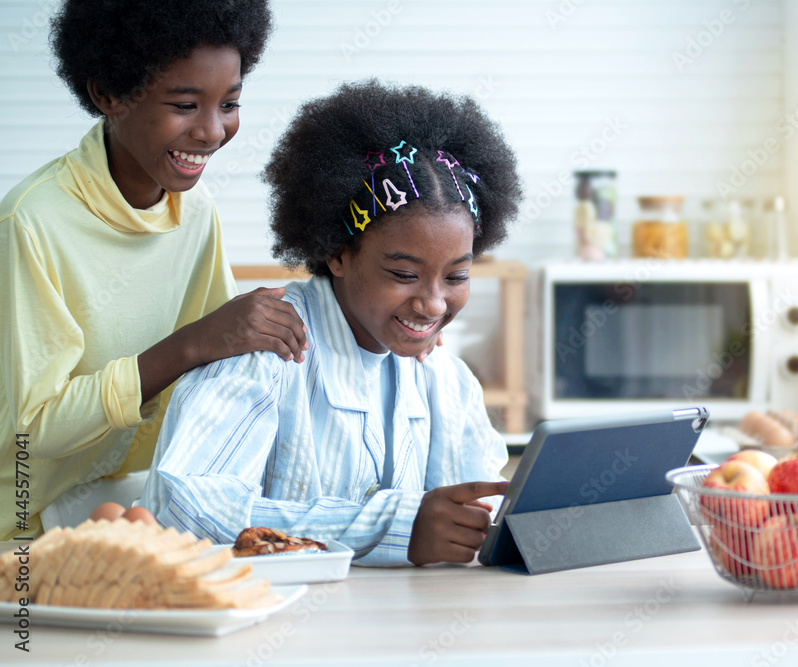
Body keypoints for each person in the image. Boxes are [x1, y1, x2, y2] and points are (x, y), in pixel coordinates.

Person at [141, 79, 523, 566]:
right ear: (338, 253)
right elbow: (181, 507)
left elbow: (479, 507)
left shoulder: (443, 375)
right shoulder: (266, 346)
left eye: (457, 275)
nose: (431, 304)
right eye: (404, 274)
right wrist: (392, 529)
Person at [0, 0, 310, 540]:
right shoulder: (31, 223)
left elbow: (221, 367)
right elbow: (30, 429)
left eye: (230, 103)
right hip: (24, 534)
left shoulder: (196, 210)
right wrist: (186, 346)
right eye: (186, 104)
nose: (212, 131)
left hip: (136, 509)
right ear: (108, 95)